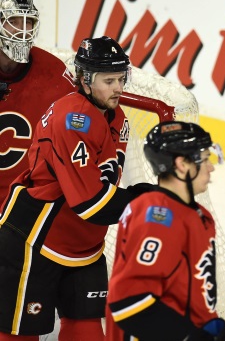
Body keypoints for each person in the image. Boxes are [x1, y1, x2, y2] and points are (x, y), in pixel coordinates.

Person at [0, 36, 152, 340]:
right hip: (34, 242)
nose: (118, 88)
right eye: (108, 80)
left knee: (87, 333)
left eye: (121, 78)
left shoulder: (118, 117)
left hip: (85, 247)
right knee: (19, 335)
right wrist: (145, 200)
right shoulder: (72, 120)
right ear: (84, 80)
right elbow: (90, 203)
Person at [105, 121, 225, 341]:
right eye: (203, 159)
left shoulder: (198, 214)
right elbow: (129, 301)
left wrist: (207, 325)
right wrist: (189, 337)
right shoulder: (157, 218)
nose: (211, 167)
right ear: (182, 164)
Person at [0, 0, 76, 200]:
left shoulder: (53, 74)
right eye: (13, 21)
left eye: (28, 22)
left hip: (24, 204)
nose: (22, 30)